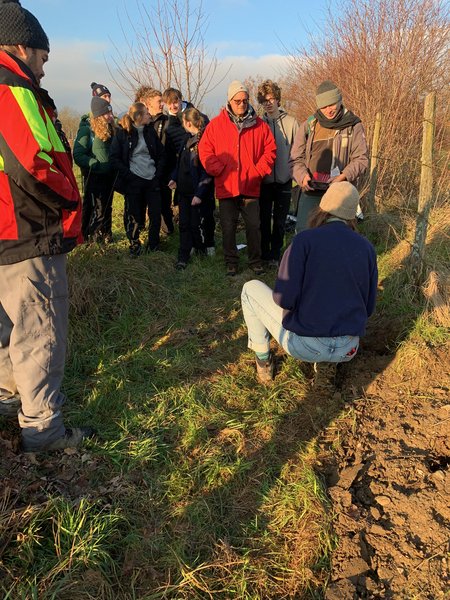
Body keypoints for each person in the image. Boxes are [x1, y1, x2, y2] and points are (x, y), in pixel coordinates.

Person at [0, 0, 94, 451]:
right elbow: (34, 163)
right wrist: (70, 200)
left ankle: (7, 398)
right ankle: (44, 431)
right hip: (29, 230)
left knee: (6, 327)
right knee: (39, 331)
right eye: (42, 56)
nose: (44, 67)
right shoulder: (13, 88)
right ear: (21, 47)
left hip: (6, 228)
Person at [241, 182, 377, 383]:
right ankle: (326, 363)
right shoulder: (366, 248)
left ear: (322, 208)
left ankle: (263, 361)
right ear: (352, 215)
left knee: (250, 288)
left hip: (304, 344)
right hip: (348, 348)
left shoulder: (304, 241)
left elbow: (284, 299)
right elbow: (369, 307)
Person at [199, 80, 276, 276]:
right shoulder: (216, 125)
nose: (241, 104)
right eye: (237, 100)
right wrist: (220, 170)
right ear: (229, 101)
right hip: (227, 186)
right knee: (228, 227)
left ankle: (255, 261)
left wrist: (257, 172)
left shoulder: (260, 125)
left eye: (245, 100)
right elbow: (205, 151)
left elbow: (270, 151)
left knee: (254, 226)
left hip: (251, 186)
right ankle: (231, 262)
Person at [289, 80, 369, 232]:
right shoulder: (309, 125)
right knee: (305, 233)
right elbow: (295, 159)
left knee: (338, 236)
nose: (328, 110)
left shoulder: (353, 125)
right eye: (324, 106)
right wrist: (302, 176)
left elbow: (361, 159)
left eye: (332, 104)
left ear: (339, 101)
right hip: (311, 191)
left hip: (340, 193)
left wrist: (343, 177)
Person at [110, 102, 165, 256]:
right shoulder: (123, 133)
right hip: (133, 180)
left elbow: (161, 154)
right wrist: (129, 176)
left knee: (155, 213)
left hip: (152, 179)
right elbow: (114, 158)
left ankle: (153, 245)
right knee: (133, 214)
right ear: (139, 116)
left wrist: (158, 174)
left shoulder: (150, 132)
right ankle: (134, 245)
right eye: (146, 113)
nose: (149, 115)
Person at [257, 80, 299, 267]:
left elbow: (298, 151)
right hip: (264, 181)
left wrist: (294, 173)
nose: (268, 103)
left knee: (280, 221)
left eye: (271, 99)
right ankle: (264, 253)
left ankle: (275, 254)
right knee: (264, 220)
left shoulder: (291, 122)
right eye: (264, 100)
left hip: (284, 180)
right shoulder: (258, 124)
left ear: (278, 99)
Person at [168, 107, 215, 270]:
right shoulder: (185, 139)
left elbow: (207, 172)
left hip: (196, 193)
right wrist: (174, 178)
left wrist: (199, 194)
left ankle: (201, 251)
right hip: (183, 192)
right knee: (184, 224)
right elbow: (179, 163)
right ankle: (183, 255)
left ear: (188, 123)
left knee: (196, 225)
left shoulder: (204, 142)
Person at [73, 96, 117, 242]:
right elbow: (78, 154)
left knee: (107, 206)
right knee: (93, 207)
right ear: (99, 115)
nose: (110, 116)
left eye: (110, 112)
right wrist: (94, 164)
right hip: (94, 176)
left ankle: (106, 234)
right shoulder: (87, 131)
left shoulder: (112, 130)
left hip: (109, 176)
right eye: (107, 113)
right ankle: (89, 236)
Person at [135, 86, 174, 235]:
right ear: (148, 103)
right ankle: (140, 230)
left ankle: (168, 232)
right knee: (140, 203)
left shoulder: (167, 121)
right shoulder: (141, 124)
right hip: (143, 171)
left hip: (163, 171)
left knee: (164, 203)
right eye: (159, 101)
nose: (162, 104)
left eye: (162, 101)